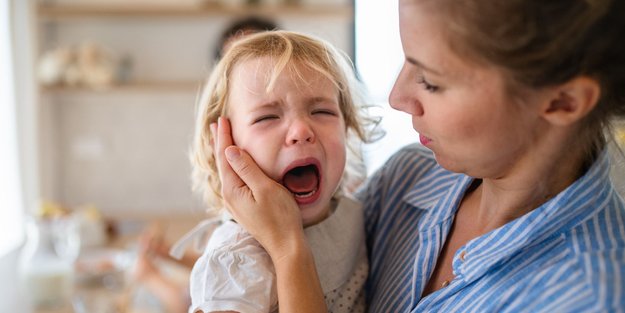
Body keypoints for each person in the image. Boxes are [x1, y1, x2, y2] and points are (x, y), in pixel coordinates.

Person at [213, 0, 625, 312]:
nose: (397, 97)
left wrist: (288, 248)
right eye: (405, 62)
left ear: (563, 101)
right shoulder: (408, 175)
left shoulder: (587, 297)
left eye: (430, 81)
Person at [189, 30, 376, 313]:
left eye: (322, 112)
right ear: (224, 144)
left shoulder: (355, 213)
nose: (301, 131)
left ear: (347, 127)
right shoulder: (237, 258)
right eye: (267, 117)